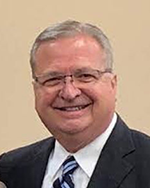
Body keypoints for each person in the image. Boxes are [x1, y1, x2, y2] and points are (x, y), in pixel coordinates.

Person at [0, 20, 150, 188]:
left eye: (85, 76)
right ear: (36, 89)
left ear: (113, 84)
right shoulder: (9, 170)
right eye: (53, 79)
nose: (69, 92)